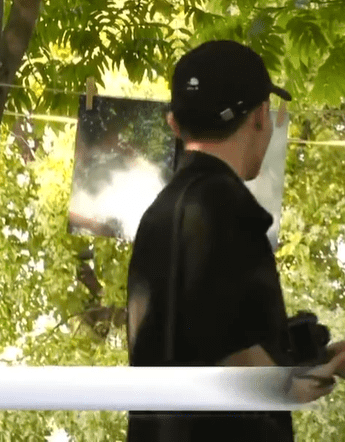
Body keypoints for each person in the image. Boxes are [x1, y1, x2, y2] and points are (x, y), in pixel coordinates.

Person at [126, 40, 345, 441]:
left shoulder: (157, 214)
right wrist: (303, 382)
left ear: (174, 124)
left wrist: (316, 358)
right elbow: (235, 354)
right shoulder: (225, 205)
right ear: (261, 116)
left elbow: (197, 339)